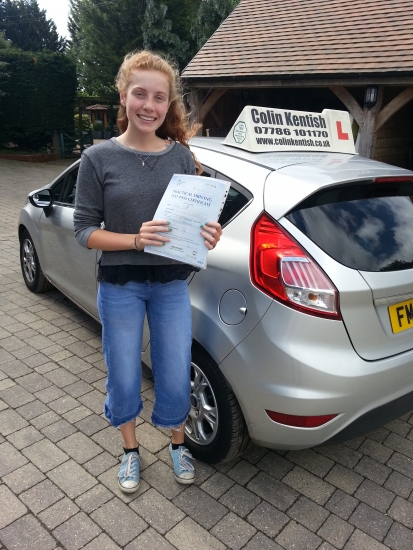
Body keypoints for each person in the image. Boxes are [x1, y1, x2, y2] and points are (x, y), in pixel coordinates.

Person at [74, 50, 222, 493]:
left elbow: (191, 222)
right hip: (120, 284)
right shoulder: (97, 158)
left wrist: (208, 234)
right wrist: (135, 240)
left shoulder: (179, 156)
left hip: (171, 283)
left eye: (159, 97)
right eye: (140, 94)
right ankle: (130, 451)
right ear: (124, 96)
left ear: (168, 103)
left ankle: (178, 444)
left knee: (176, 371)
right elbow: (84, 231)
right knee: (122, 372)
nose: (149, 105)